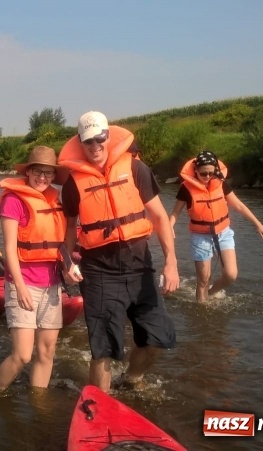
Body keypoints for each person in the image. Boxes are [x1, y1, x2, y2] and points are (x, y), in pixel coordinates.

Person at [60, 111, 179, 393]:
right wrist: (66, 263)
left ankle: (130, 379)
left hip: (140, 264)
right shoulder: (72, 184)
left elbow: (161, 217)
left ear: (108, 137)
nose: (95, 146)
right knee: (103, 347)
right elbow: (68, 230)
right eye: (88, 141)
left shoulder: (137, 169)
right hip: (99, 269)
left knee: (157, 338)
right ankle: (97, 407)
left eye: (100, 138)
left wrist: (171, 262)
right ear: (80, 142)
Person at [0, 146, 70, 393]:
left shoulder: (56, 199)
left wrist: (69, 267)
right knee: (23, 355)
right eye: (38, 171)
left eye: (48, 173)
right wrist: (21, 287)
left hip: (52, 285)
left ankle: (38, 402)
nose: (43, 178)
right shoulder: (14, 201)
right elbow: (10, 250)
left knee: (46, 353)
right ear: (29, 171)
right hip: (22, 282)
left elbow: (62, 244)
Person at [168, 150, 263, 302]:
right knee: (203, 279)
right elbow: (175, 213)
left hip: (223, 233)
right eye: (203, 174)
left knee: (231, 274)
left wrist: (258, 224)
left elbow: (239, 206)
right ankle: (202, 312)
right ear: (196, 170)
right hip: (200, 237)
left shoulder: (220, 184)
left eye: (211, 173)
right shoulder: (186, 188)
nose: (208, 177)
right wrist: (169, 227)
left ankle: (211, 293)